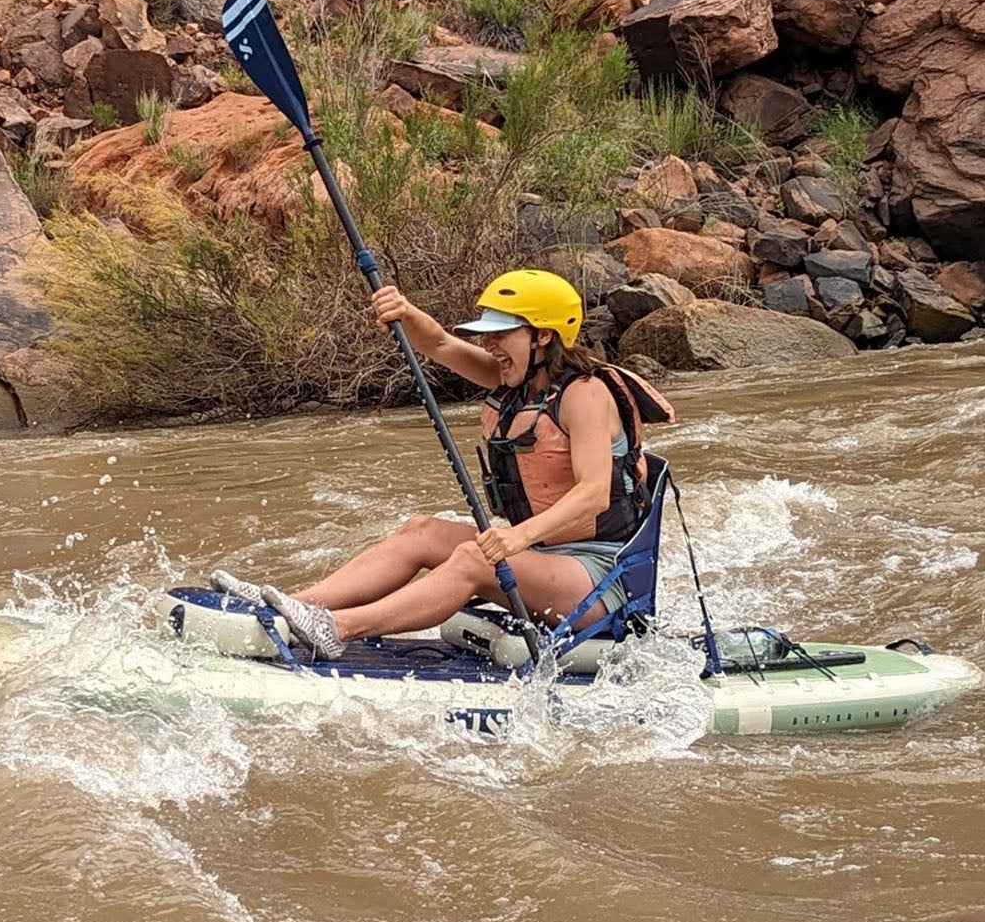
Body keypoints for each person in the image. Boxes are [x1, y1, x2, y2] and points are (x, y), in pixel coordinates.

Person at [212, 269, 675, 659]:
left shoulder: (586, 394)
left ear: (543, 336)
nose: (491, 346)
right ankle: (294, 604)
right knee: (423, 531)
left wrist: (516, 536)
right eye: (488, 336)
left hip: (599, 583)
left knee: (476, 557)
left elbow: (594, 492)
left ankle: (337, 628)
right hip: (542, 560)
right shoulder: (512, 381)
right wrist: (404, 311)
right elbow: (439, 344)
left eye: (502, 335)